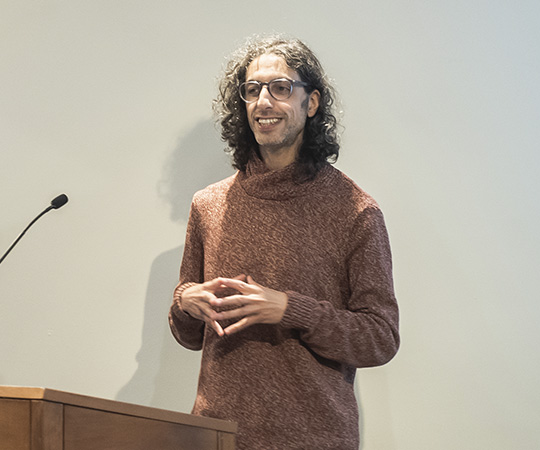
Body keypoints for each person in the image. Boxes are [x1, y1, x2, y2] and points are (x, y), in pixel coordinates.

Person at [168, 35, 400, 449]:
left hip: (314, 438)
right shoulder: (208, 204)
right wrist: (187, 301)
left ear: (310, 104)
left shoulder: (356, 211)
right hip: (216, 434)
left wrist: (291, 310)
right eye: (252, 90)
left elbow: (379, 337)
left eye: (280, 88)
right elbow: (188, 336)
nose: (263, 102)